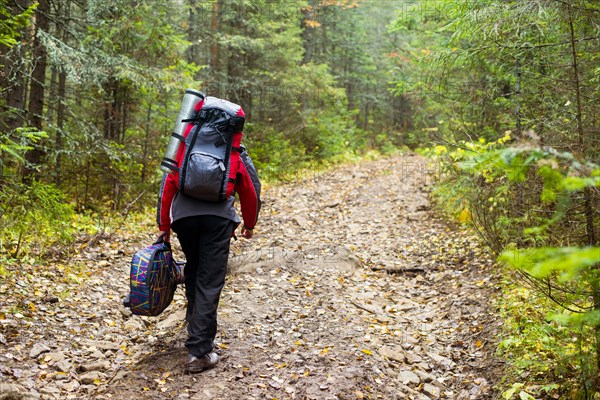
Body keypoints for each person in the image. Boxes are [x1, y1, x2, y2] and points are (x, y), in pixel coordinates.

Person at [156, 103, 260, 374]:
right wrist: (249, 224)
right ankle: (199, 352)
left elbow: (168, 184)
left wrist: (164, 225)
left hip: (184, 219)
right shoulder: (232, 149)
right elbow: (249, 189)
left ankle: (195, 333)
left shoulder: (186, 143)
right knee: (209, 281)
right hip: (218, 220)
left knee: (193, 270)